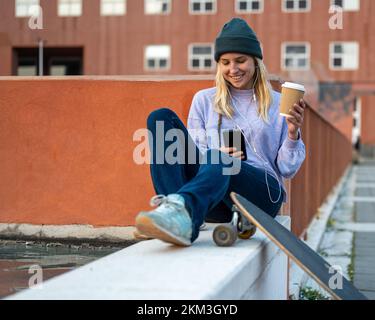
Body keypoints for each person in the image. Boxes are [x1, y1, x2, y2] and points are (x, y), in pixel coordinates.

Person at [135, 18, 306, 246]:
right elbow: (194, 153)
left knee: (218, 157)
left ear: (255, 61)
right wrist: (215, 156)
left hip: (261, 195)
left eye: (240, 60)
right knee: (160, 118)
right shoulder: (204, 100)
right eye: (225, 62)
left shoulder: (279, 103)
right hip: (214, 199)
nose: (232, 69)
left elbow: (287, 169)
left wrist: (293, 134)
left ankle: (181, 214)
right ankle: (173, 214)